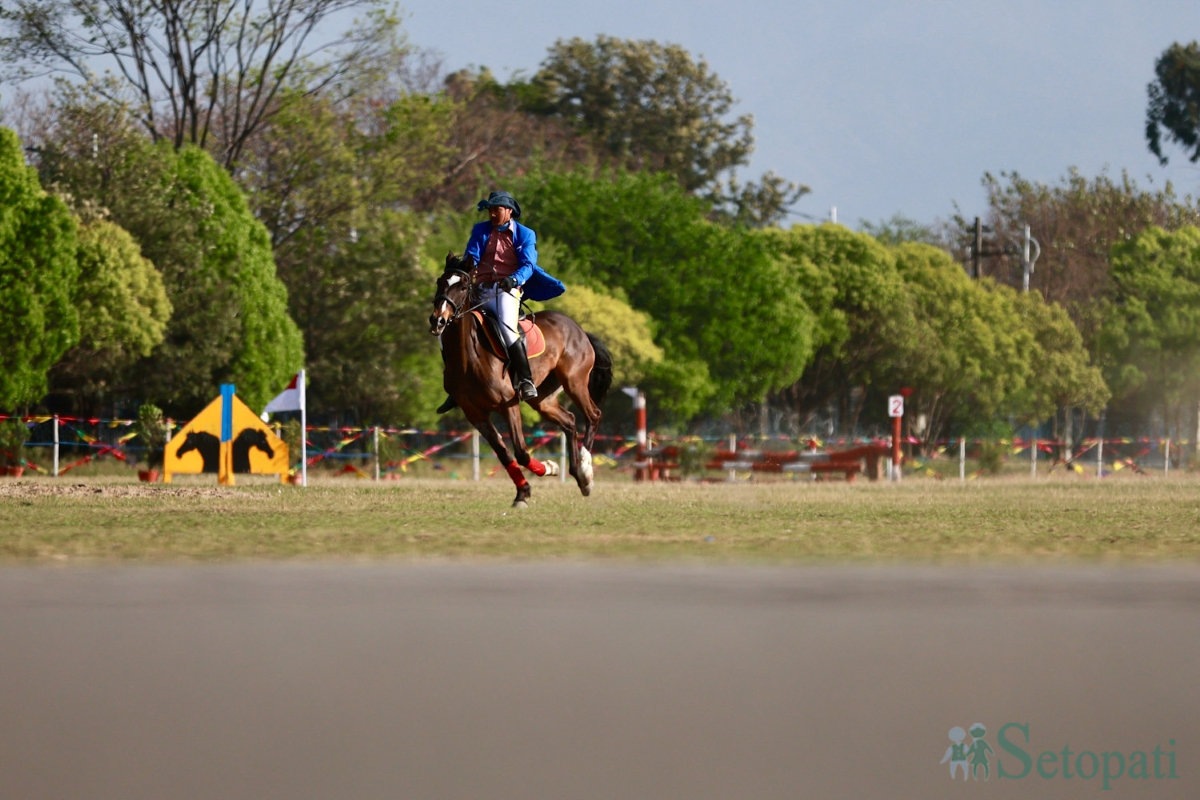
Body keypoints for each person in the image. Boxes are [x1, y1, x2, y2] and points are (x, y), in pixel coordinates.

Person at [436, 191, 565, 413]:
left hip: (507, 289)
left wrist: (514, 279)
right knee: (446, 328)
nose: (492, 214)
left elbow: (528, 265)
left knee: (507, 329)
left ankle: (525, 380)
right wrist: (466, 265)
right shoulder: (480, 230)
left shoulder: (526, 234)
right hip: (480, 289)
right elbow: (472, 255)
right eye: (490, 210)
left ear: (509, 211)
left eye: (496, 210)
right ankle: (455, 389)